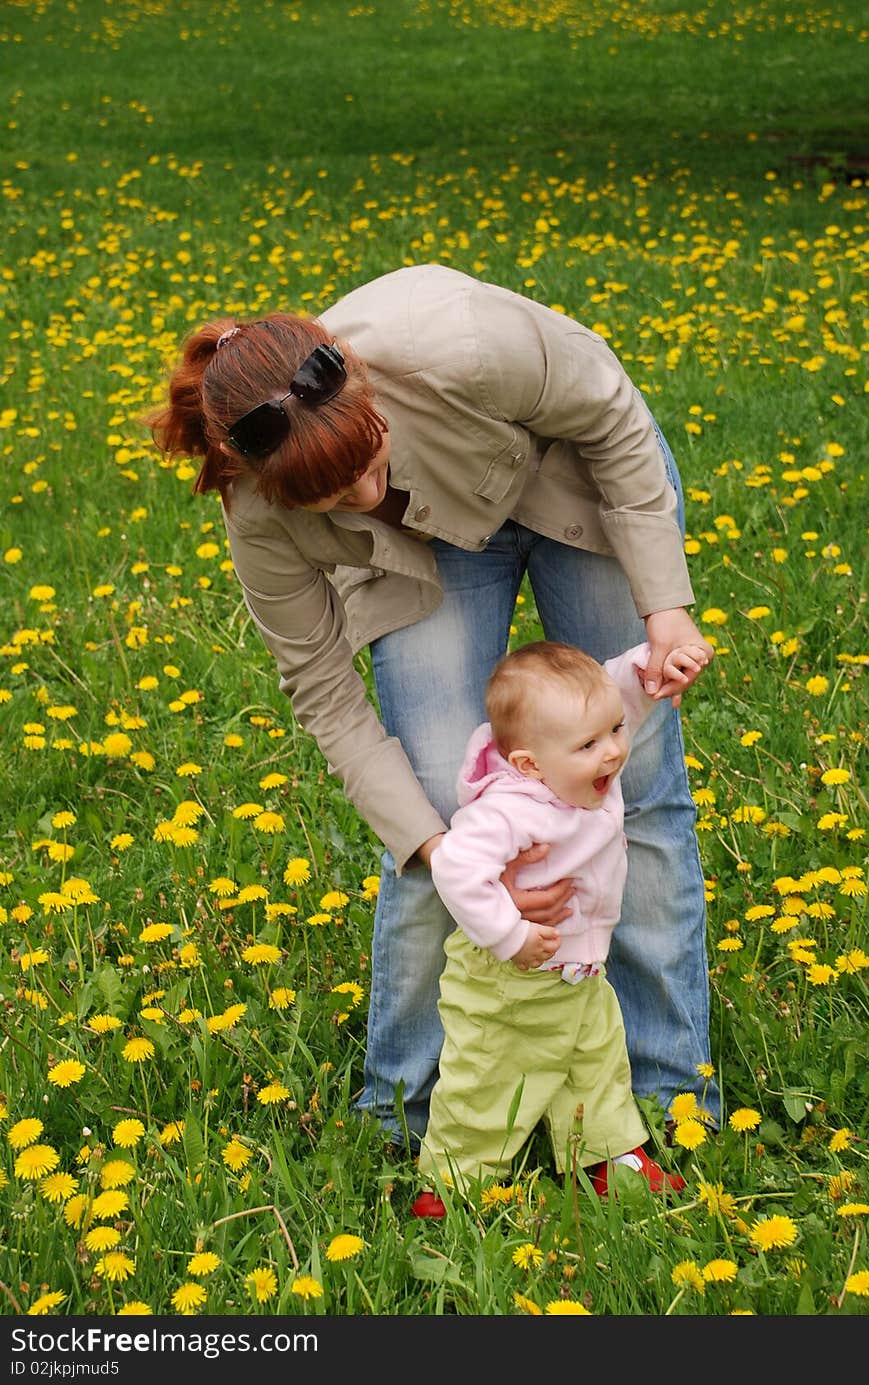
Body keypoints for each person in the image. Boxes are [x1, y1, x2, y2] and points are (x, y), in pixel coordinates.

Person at [148, 262, 719, 1151]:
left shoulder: (459, 341)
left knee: (633, 788)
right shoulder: (261, 512)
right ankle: (403, 1119)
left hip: (574, 483)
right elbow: (324, 693)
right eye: (331, 499)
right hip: (432, 553)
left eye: (366, 462)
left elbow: (610, 410)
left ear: (368, 393)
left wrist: (665, 604)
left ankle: (673, 1104)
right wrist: (435, 845)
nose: (361, 498)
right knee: (436, 812)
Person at [412, 639, 698, 1218]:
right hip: (506, 981)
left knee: (594, 1061)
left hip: (577, 970)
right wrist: (509, 936)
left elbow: (609, 701)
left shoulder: (580, 766)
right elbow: (457, 868)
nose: (614, 753)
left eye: (615, 732)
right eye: (590, 745)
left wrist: (646, 669)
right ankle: (451, 1185)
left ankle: (608, 1159)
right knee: (488, 1075)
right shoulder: (510, 809)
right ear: (528, 765)